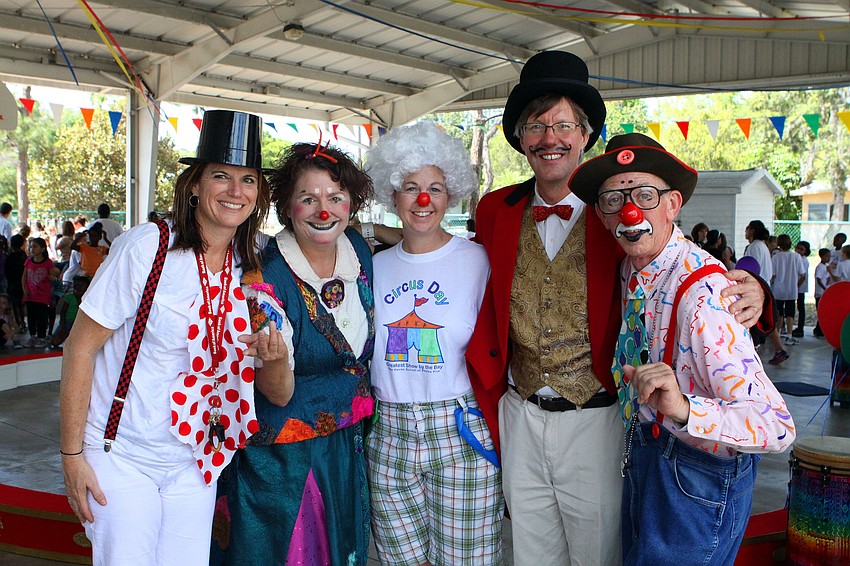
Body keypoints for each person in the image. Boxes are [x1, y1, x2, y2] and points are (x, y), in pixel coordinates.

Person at [465, 50, 771, 566]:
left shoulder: (617, 209)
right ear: (519, 137)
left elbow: (677, 259)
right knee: (531, 555)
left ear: (586, 135)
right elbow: (463, 266)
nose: (549, 138)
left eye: (564, 124)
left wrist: (753, 289)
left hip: (598, 418)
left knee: (600, 553)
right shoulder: (496, 209)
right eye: (535, 125)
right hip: (519, 412)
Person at [59, 109, 280, 565]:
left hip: (196, 457)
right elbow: (80, 347)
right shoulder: (148, 247)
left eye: (248, 180)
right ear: (195, 184)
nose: (235, 191)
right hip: (122, 452)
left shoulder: (250, 264)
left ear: (259, 193)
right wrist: (72, 456)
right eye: (221, 176)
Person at [569, 132, 795, 566]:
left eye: (645, 195)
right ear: (601, 215)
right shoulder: (632, 267)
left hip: (696, 475)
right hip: (648, 452)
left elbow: (776, 425)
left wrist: (686, 408)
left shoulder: (704, 297)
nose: (630, 211)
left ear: (673, 205)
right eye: (614, 199)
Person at [213, 140, 375, 565]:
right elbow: (278, 393)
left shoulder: (358, 251)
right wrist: (274, 358)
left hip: (345, 442)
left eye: (335, 197)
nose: (324, 211)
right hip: (286, 458)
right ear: (287, 206)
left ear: (351, 205)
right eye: (309, 198)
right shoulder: (264, 279)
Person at [364, 121, 503, 564]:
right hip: (388, 432)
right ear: (394, 196)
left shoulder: (479, 261)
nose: (423, 200)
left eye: (435, 189)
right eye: (411, 188)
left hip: (459, 430)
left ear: (450, 195)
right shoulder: (370, 266)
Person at [22, 236, 55, 348]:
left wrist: (52, 278)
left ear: (42, 249)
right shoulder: (28, 261)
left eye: (35, 247)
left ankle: (41, 336)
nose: (32, 249)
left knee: (42, 315)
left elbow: (53, 275)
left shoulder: (48, 263)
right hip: (30, 294)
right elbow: (24, 276)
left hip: (42, 295)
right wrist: (25, 289)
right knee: (31, 315)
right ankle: (32, 336)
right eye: (31, 247)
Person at [771, 234, 805, 343]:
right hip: (791, 289)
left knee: (779, 313)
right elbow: (802, 274)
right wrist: (796, 285)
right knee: (790, 313)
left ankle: (777, 333)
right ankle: (789, 335)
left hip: (778, 289)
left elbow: (773, 275)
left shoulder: (776, 257)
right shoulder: (796, 257)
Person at [51, 275, 89, 349]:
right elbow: (63, 312)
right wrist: (62, 325)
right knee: (54, 342)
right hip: (67, 322)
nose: (78, 287)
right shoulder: (69, 297)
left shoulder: (87, 298)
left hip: (80, 322)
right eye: (76, 285)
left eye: (81, 285)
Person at [5, 234, 27, 332]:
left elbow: (7, 271)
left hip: (12, 283)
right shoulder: (23, 255)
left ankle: (18, 322)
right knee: (21, 304)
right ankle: (22, 322)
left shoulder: (10, 257)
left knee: (14, 305)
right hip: (22, 283)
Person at [793, 240, 810, 338]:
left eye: (801, 249)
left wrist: (796, 286)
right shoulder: (798, 258)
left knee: (801, 308)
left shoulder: (803, 260)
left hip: (800, 287)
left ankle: (800, 328)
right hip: (797, 286)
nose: (799, 251)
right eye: (797, 248)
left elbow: (803, 276)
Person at [813, 248, 831, 338]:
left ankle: (819, 329)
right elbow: (819, 279)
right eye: (827, 256)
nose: (829, 258)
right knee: (821, 311)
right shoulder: (820, 267)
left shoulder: (827, 266)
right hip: (820, 293)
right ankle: (819, 330)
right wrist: (824, 288)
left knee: (824, 311)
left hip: (825, 292)